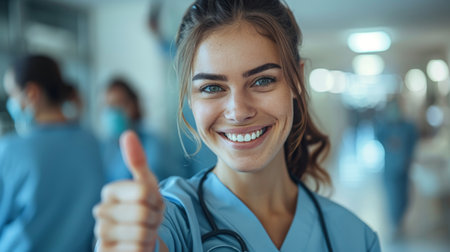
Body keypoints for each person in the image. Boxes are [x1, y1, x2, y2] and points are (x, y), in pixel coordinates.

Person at [93, 0, 381, 251]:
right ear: (189, 99)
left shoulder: (354, 238)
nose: (239, 111)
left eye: (262, 80)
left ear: (297, 81)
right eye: (211, 87)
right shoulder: (174, 219)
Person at [0, 55, 105, 251]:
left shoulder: (10, 151)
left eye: (12, 95)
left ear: (31, 93)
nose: (11, 104)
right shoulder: (91, 142)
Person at [100, 78, 170, 181]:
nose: (114, 111)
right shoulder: (105, 148)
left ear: (134, 105)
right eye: (109, 106)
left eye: (119, 103)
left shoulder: (154, 145)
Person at [375, 98, 418, 237]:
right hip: (390, 169)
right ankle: (395, 225)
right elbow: (378, 137)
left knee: (404, 198)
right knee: (393, 197)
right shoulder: (384, 125)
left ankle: (400, 220)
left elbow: (413, 142)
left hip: (404, 168)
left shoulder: (408, 126)